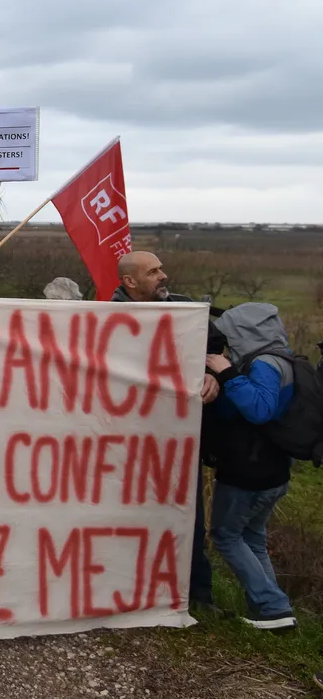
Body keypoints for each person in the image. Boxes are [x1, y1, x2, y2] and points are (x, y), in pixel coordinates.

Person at [111, 250, 222, 615]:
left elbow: (216, 353)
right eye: (153, 271)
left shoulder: (185, 310)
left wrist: (214, 377)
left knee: (188, 515)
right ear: (129, 282)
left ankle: (198, 597)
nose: (164, 275)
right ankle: (123, 590)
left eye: (161, 269)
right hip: (125, 438)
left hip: (177, 438)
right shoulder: (105, 317)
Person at [206, 303, 298, 631]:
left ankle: (273, 606)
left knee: (225, 535)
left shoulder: (264, 364)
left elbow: (259, 410)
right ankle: (268, 610)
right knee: (252, 536)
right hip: (273, 469)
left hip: (249, 471)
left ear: (245, 332)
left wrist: (226, 372)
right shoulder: (283, 357)